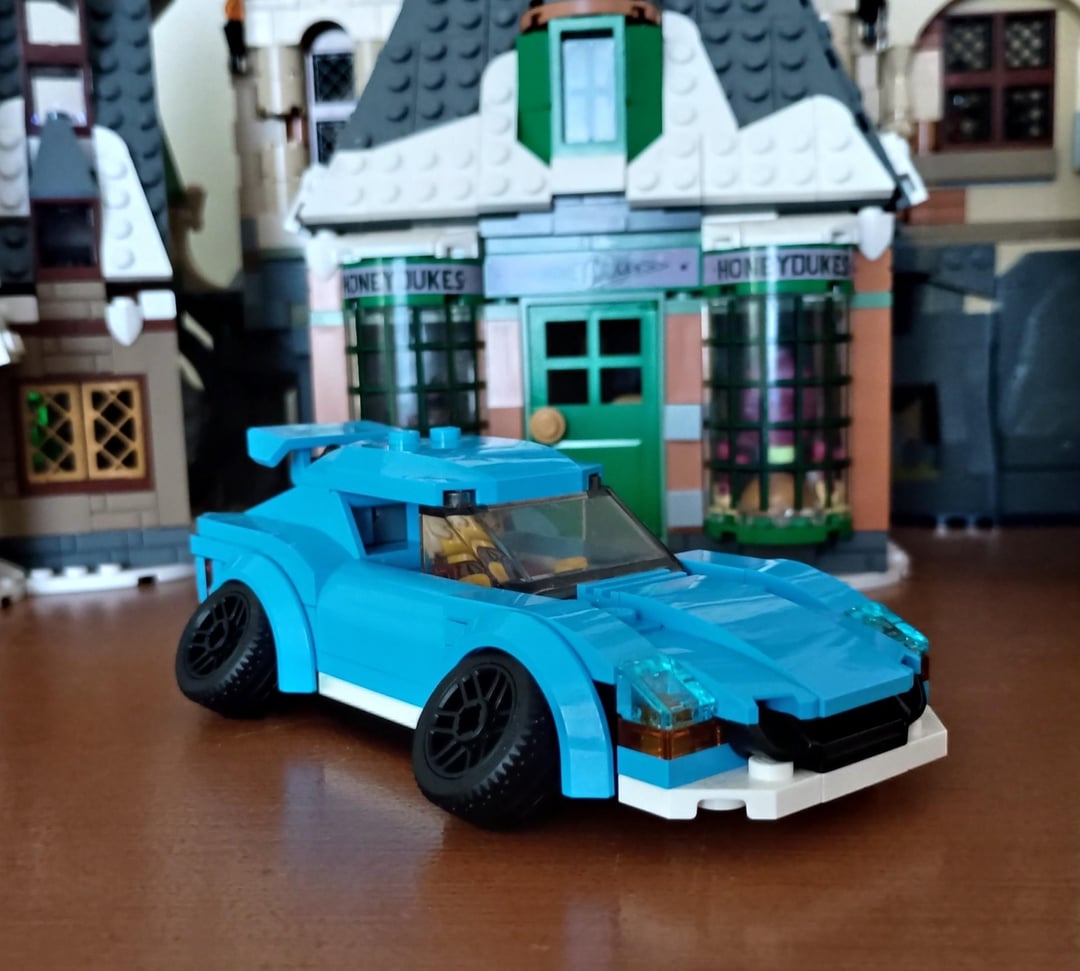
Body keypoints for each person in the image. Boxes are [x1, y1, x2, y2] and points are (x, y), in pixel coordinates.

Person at [224, 0, 247, 76]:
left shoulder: (234, 2)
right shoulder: (233, 2)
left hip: (235, 22)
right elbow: (228, 11)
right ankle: (236, 67)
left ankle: (238, 67)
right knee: (236, 49)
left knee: (236, 49)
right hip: (235, 23)